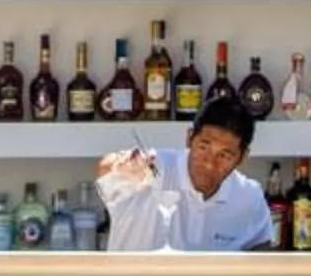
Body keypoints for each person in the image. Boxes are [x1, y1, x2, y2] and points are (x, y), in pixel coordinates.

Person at [94, 95, 275, 251]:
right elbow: (105, 170)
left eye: (224, 155)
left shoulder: (248, 197)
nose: (210, 163)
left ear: (242, 157)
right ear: (189, 138)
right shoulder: (155, 167)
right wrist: (125, 166)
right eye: (204, 147)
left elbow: (264, 253)